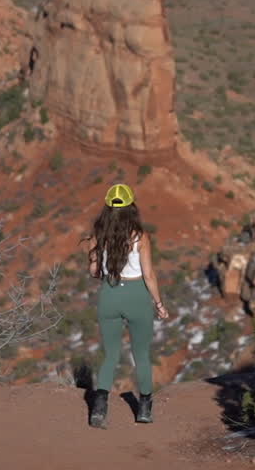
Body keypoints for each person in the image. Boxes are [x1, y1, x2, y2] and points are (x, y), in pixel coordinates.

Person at [86, 183, 169, 428]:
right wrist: (159, 304)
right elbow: (149, 275)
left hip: (109, 295)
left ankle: (99, 410)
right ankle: (144, 410)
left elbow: (94, 272)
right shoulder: (140, 237)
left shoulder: (98, 234)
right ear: (131, 206)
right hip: (137, 296)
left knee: (110, 354)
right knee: (141, 355)